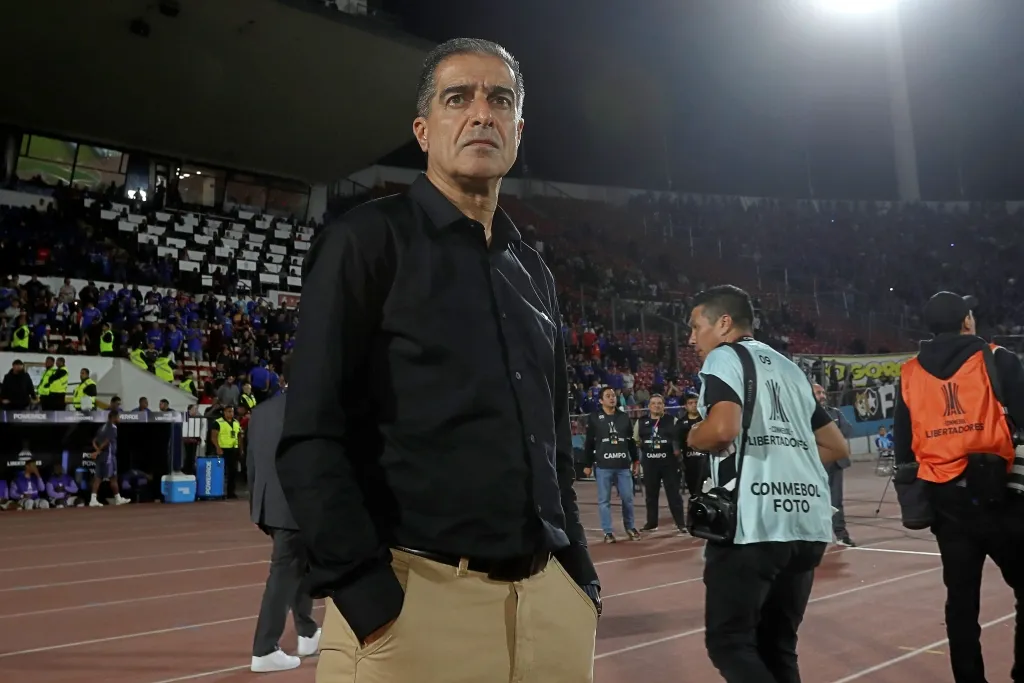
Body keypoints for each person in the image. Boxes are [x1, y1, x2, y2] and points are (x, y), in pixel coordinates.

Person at [276, 38, 599, 683]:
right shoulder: (365, 241)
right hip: (415, 603)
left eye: (499, 100)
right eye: (459, 98)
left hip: (548, 606)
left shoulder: (533, 270)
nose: (482, 112)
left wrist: (578, 574)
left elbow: (552, 439)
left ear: (517, 129)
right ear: (423, 130)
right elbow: (311, 433)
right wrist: (368, 597)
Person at [686, 285, 851, 683]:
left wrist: (689, 436)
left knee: (729, 643)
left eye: (695, 327)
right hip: (808, 524)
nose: (691, 339)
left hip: (754, 523)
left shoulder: (724, 358)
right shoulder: (791, 368)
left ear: (723, 324)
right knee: (778, 647)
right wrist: (785, 461)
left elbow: (723, 430)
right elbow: (836, 445)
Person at [893, 291, 1024, 683]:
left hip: (945, 501)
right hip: (1002, 494)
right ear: (968, 321)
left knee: (961, 603)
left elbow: (903, 444)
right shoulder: (998, 358)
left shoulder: (910, 373)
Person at [247, 365, 321, 673]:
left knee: (300, 567)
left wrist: (258, 506)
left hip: (270, 504)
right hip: (297, 503)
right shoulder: (312, 408)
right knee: (284, 572)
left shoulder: (262, 411)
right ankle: (264, 648)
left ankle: (306, 631)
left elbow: (251, 460)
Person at [584, 386, 641, 543]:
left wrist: (636, 460)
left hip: (623, 465)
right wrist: (587, 463)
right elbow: (589, 442)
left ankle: (630, 527)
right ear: (601, 400)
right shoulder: (594, 417)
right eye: (608, 396)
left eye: (614, 396)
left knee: (628, 498)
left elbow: (630, 441)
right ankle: (608, 532)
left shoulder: (623, 417)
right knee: (604, 501)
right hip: (603, 466)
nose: (612, 398)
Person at [634, 393, 686, 534]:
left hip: (669, 464)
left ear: (664, 406)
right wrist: (637, 462)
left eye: (660, 403)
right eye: (654, 403)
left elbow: (680, 440)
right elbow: (636, 441)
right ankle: (651, 523)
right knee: (651, 495)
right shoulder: (641, 422)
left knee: (674, 494)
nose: (657, 406)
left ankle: (680, 523)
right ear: (649, 406)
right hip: (650, 464)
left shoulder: (672, 420)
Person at [812, 383, 856, 547]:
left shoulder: (835, 413)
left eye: (823, 392)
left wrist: (828, 436)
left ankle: (841, 534)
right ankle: (816, 537)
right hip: (816, 463)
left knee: (836, 501)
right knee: (815, 501)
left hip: (836, 463)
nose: (822, 395)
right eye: (818, 393)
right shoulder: (804, 413)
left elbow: (848, 430)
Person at [89, 410, 131, 507]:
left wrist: (97, 451)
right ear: (114, 417)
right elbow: (107, 441)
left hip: (101, 456)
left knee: (98, 478)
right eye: (118, 417)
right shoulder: (113, 427)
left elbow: (94, 441)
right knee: (113, 478)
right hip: (109, 456)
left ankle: (93, 499)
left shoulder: (102, 427)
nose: (119, 419)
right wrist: (98, 451)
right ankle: (118, 499)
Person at [676, 391, 710, 509]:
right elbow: (676, 442)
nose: (694, 405)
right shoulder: (681, 423)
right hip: (689, 461)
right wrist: (679, 459)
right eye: (690, 403)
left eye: (696, 402)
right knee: (693, 490)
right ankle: (696, 513)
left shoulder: (707, 420)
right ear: (685, 406)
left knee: (707, 490)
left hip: (705, 461)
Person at [210, 405, 242, 499]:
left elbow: (239, 436)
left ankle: (231, 492)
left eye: (232, 411)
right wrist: (217, 447)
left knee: (233, 472)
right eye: (228, 411)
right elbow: (213, 436)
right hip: (223, 450)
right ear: (224, 412)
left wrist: (240, 449)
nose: (230, 413)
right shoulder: (218, 422)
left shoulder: (236, 422)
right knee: (221, 471)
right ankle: (220, 491)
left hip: (233, 449)